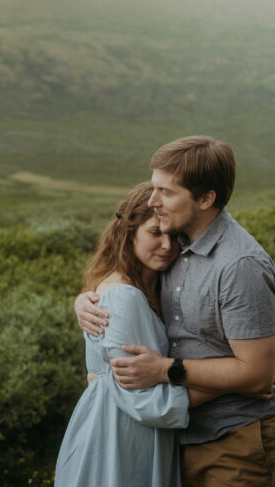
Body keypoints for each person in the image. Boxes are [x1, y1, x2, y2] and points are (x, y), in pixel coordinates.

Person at [75, 136, 275, 487]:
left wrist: (164, 370)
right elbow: (130, 290)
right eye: (154, 188)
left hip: (237, 434)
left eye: (167, 192)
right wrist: (88, 300)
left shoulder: (239, 265)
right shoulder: (177, 248)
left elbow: (257, 376)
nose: (153, 200)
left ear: (206, 199)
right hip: (183, 435)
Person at [56, 182, 219, 487]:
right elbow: (145, 401)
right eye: (155, 233)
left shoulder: (154, 286)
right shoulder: (123, 296)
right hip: (120, 439)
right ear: (128, 232)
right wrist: (234, 383)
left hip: (127, 430)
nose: (168, 246)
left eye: (174, 236)